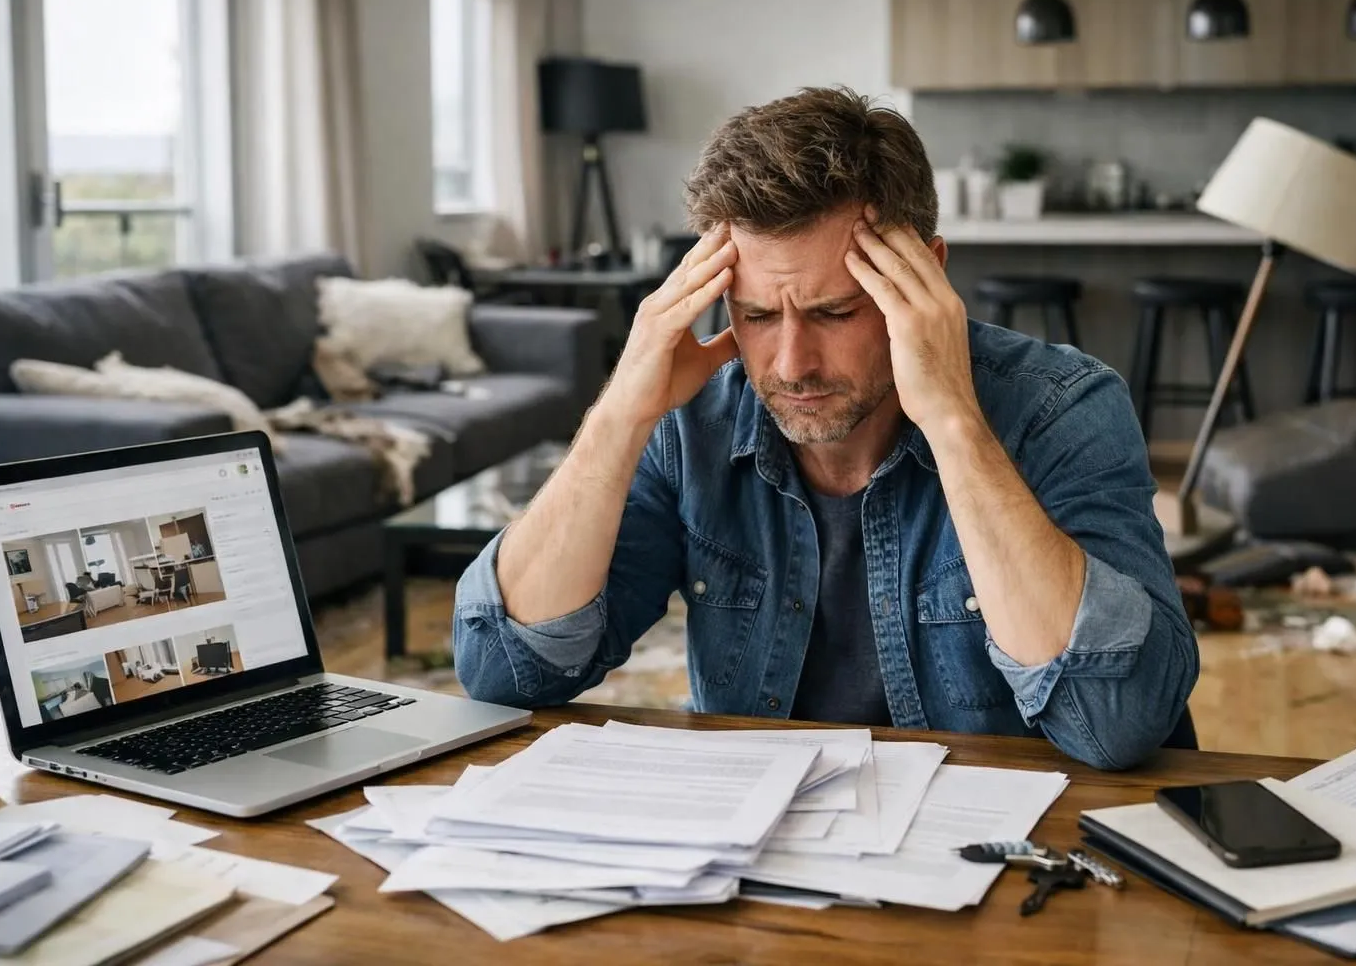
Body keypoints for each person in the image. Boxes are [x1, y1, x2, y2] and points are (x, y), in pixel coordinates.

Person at [454, 86, 1198, 770]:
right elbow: (504, 670)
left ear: (927, 277)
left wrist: (953, 421)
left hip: (1000, 860)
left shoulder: (1061, 407)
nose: (790, 363)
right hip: (762, 859)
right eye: (754, 315)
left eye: (834, 313)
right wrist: (622, 413)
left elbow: (1117, 720)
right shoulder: (692, 427)